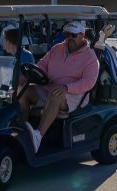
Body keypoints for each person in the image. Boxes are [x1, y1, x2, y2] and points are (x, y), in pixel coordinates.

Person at [19, 20, 99, 152]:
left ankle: (38, 136)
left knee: (56, 94)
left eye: (73, 35)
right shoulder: (57, 48)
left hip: (74, 95)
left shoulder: (90, 57)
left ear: (82, 35)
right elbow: (42, 65)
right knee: (24, 91)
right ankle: (22, 129)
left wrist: (67, 87)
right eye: (67, 34)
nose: (70, 38)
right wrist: (28, 75)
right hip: (51, 88)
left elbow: (89, 82)